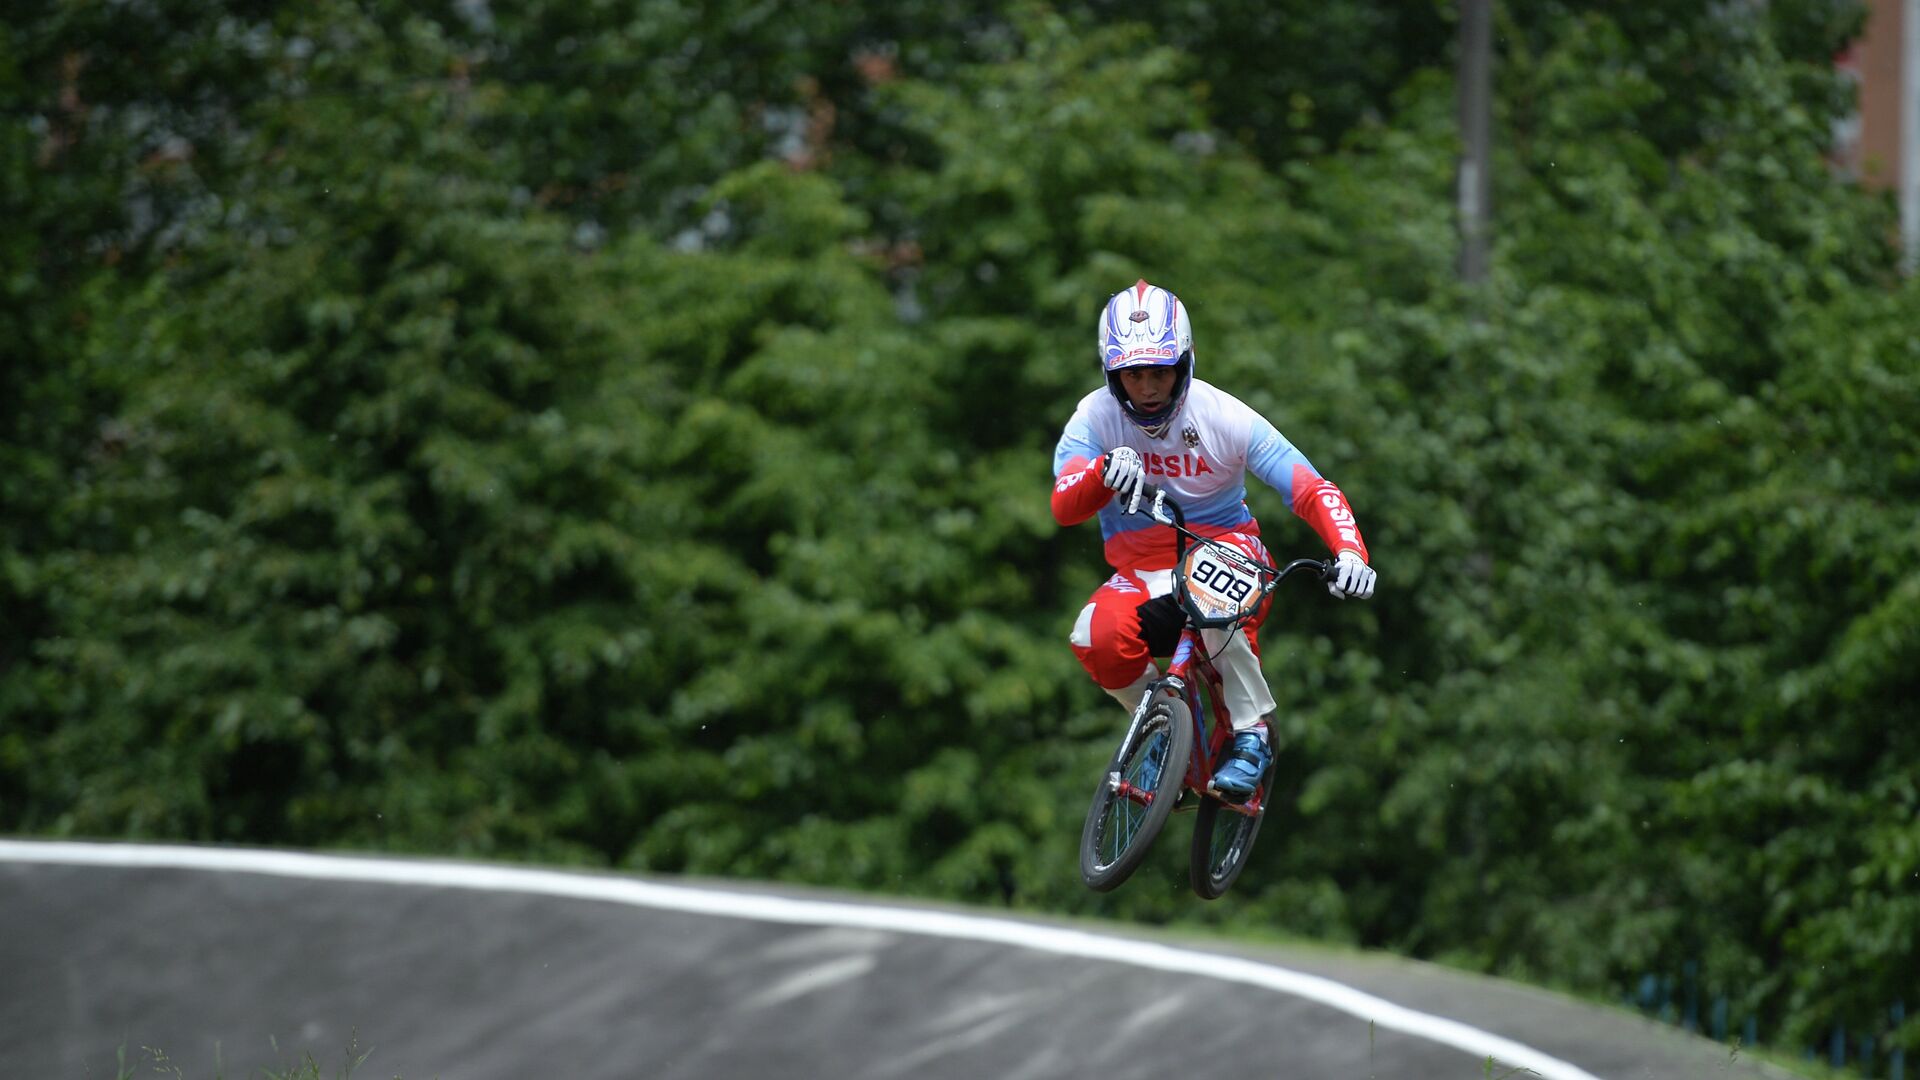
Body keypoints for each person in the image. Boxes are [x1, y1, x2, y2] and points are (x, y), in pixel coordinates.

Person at [1051, 279, 1376, 799]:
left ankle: (1252, 733)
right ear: (1113, 374)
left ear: (1185, 364)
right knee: (1093, 636)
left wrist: (1350, 551)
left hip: (1228, 550)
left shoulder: (1223, 415)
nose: (1150, 388)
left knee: (1210, 588)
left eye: (1161, 372)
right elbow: (1064, 506)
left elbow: (1310, 487)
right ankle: (1161, 734)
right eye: (1134, 375)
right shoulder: (1094, 418)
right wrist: (1102, 472)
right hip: (1143, 571)